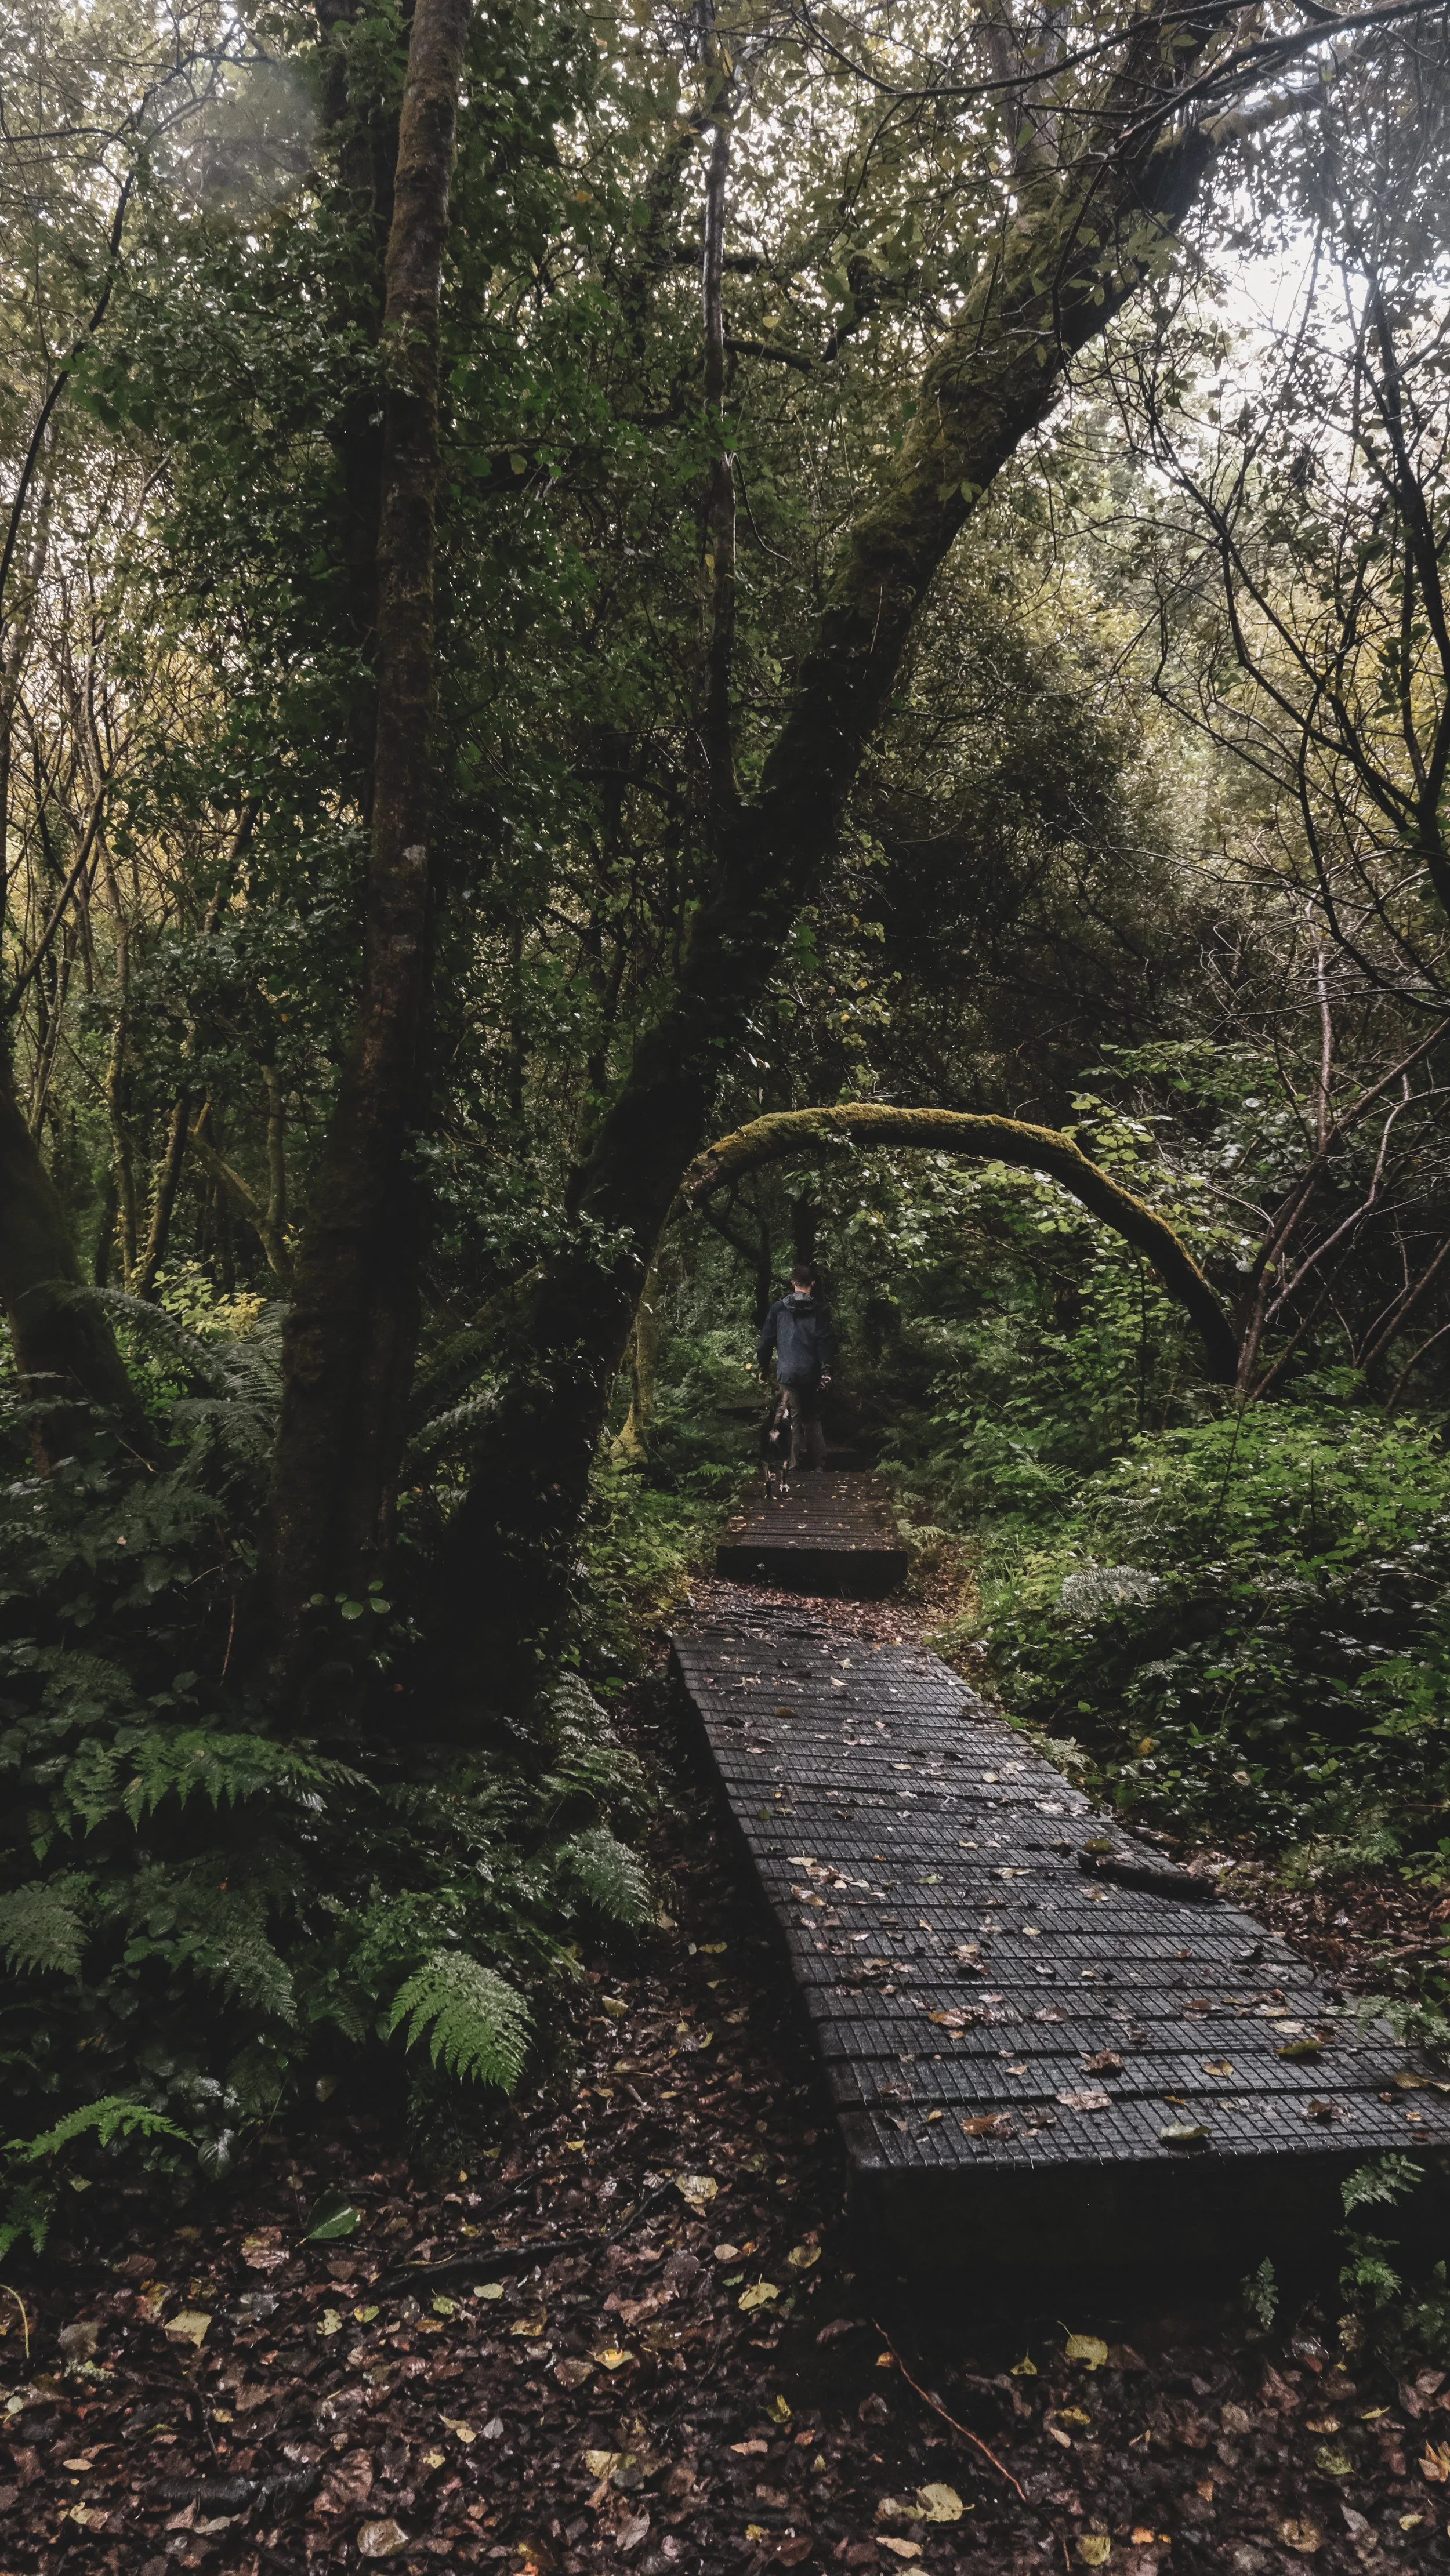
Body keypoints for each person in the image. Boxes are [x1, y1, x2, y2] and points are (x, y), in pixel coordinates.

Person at [757, 1263, 837, 1471]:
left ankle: (791, 1466)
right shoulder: (821, 1310)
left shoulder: (779, 1309)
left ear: (793, 1283)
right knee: (812, 1419)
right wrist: (826, 1371)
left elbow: (766, 1341)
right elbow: (825, 1342)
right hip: (813, 1373)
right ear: (812, 1284)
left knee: (791, 1419)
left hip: (788, 1374)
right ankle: (819, 1466)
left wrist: (762, 1367)